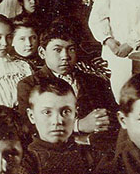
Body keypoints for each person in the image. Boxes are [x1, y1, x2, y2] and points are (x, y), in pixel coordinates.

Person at [15, 23, 117, 151]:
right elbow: (29, 128)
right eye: (57, 50)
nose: (66, 56)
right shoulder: (29, 85)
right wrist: (77, 126)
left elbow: (113, 117)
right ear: (42, 52)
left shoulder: (95, 81)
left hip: (96, 150)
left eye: (71, 49)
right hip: (52, 152)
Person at [26, 77, 96, 174]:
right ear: (31, 116)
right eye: (47, 112)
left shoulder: (88, 153)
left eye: (66, 112)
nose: (57, 121)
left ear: (75, 113)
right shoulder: (27, 160)